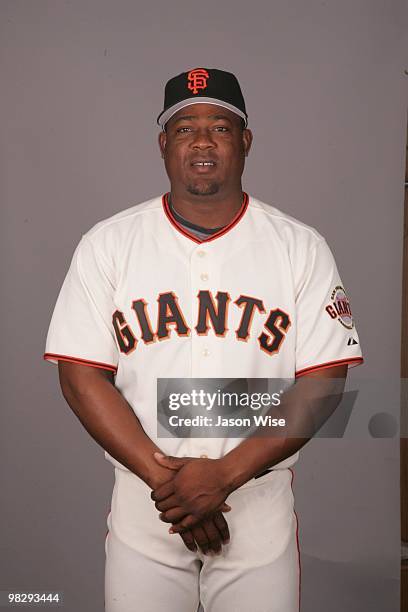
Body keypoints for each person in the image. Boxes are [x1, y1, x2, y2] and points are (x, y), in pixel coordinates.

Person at [43, 67, 364, 612]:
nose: (203, 142)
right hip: (149, 502)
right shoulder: (109, 243)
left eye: (219, 126)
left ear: (245, 141)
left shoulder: (299, 246)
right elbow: (79, 374)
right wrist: (170, 485)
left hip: (255, 499)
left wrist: (222, 477)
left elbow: (324, 382)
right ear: (164, 144)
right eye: (186, 128)